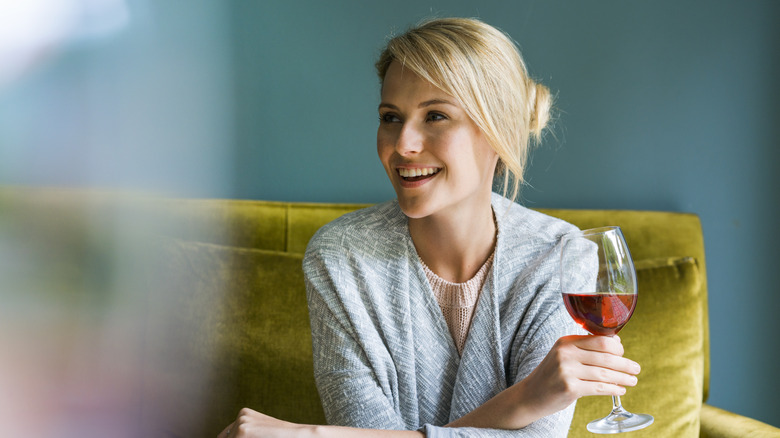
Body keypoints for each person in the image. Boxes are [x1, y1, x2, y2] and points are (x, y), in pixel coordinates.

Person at [218, 17, 641, 438]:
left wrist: (311, 435)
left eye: (435, 115)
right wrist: (526, 399)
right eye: (390, 117)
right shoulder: (340, 256)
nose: (403, 145)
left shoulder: (561, 256)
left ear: (500, 132)